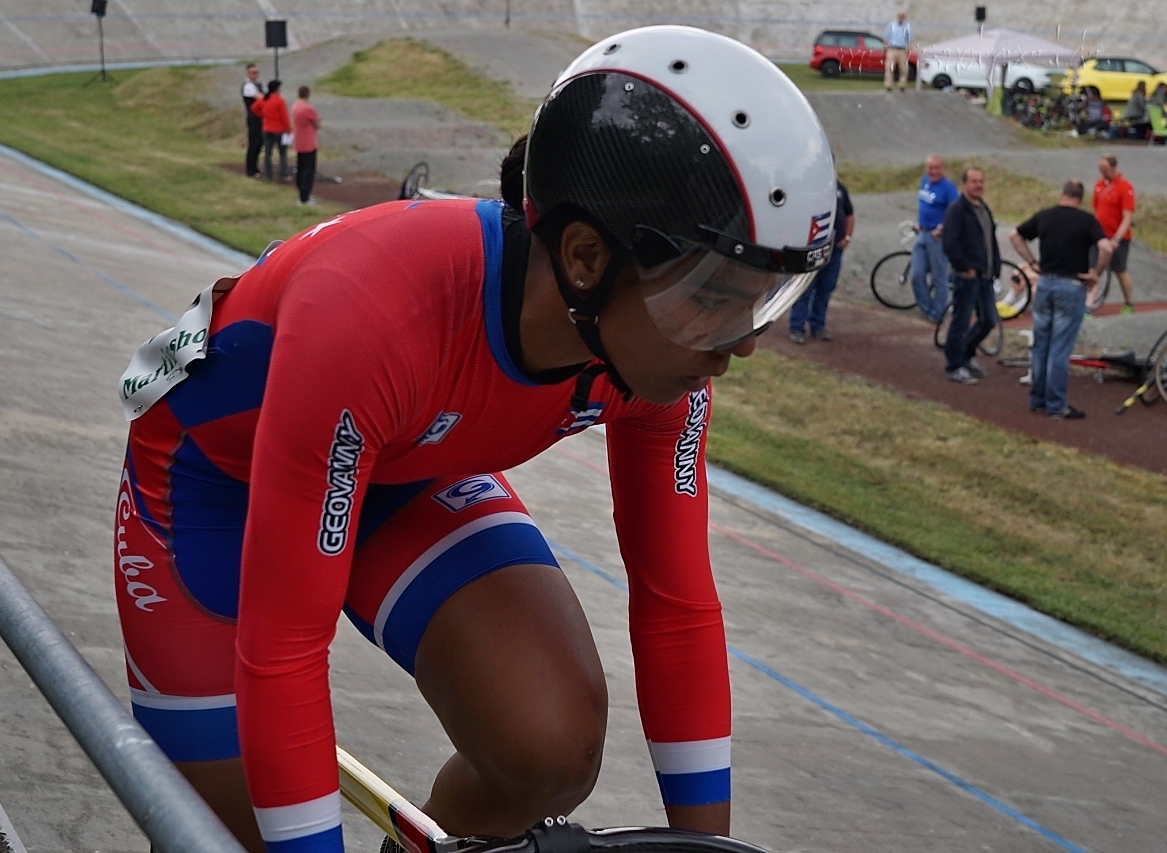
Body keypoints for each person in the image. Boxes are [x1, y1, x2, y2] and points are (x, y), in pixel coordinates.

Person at [112, 25, 837, 853]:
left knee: (550, 744)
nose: (738, 346)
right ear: (586, 255)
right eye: (714, 298)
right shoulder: (374, 311)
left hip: (398, 464)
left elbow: (676, 609)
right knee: (237, 836)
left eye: (764, 304)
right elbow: (282, 652)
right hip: (212, 492)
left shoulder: (657, 356)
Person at [1008, 180, 1114, 419]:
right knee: (1060, 347)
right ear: (1081, 198)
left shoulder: (1046, 216)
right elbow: (1106, 248)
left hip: (1045, 283)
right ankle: (1056, 403)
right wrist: (1095, 272)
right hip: (1071, 285)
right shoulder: (1087, 221)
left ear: (1062, 193)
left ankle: (1038, 398)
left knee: (1041, 344)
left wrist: (1033, 262)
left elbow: (1015, 235)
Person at [940, 166, 1000, 385]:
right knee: (961, 321)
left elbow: (990, 240)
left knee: (988, 320)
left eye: (981, 181)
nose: (978, 185)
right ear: (964, 184)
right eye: (974, 181)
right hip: (966, 276)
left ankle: (966, 354)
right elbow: (950, 242)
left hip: (985, 276)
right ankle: (954, 365)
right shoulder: (956, 210)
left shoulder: (984, 208)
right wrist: (965, 267)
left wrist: (996, 267)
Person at [790, 177, 853, 342]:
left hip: (835, 250)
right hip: (814, 249)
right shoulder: (810, 189)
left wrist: (847, 237)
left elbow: (849, 215)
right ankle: (797, 327)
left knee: (826, 288)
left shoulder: (840, 189)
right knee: (805, 289)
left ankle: (818, 325)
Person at [911, 155, 958, 322]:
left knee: (939, 278)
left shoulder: (948, 188)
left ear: (942, 169)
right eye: (930, 168)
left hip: (937, 237)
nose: (933, 171)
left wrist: (942, 229)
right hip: (922, 232)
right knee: (916, 275)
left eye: (937, 168)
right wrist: (919, 223)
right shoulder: (925, 181)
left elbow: (956, 213)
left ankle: (937, 314)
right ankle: (926, 308)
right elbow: (924, 206)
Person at [1091, 154, 1136, 315]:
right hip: (1100, 237)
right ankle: (1087, 306)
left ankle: (1129, 303)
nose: (1103, 173)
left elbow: (1127, 217)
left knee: (1120, 270)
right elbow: (1096, 210)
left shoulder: (1125, 187)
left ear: (1113, 167)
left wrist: (1117, 238)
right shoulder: (1098, 185)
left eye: (1105, 169)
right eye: (1100, 169)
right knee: (1094, 270)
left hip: (1118, 238)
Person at [250, 79, 291, 183]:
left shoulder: (264, 99)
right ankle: (283, 174)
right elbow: (284, 117)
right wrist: (288, 129)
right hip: (279, 129)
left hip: (267, 128)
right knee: (282, 153)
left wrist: (262, 115)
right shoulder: (280, 100)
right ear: (277, 89)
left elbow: (254, 107)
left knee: (268, 153)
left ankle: (268, 175)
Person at [291, 85, 321, 206]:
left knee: (301, 168)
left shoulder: (295, 107)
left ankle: (302, 194)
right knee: (309, 170)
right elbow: (317, 122)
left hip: (299, 141)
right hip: (309, 142)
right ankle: (305, 197)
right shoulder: (308, 109)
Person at [241, 64, 266, 179]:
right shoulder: (248, 86)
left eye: (256, 72)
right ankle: (250, 169)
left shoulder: (259, 85)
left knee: (259, 143)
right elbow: (261, 98)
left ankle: (255, 167)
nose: (255, 75)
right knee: (254, 143)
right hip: (253, 117)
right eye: (253, 73)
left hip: (261, 117)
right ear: (248, 74)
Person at [883, 11, 911, 92]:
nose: (901, 18)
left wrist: (908, 48)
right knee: (889, 68)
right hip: (892, 49)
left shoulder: (907, 26)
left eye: (902, 17)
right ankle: (889, 85)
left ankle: (902, 85)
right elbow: (886, 37)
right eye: (899, 16)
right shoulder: (891, 25)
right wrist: (885, 47)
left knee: (904, 69)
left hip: (902, 50)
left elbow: (909, 38)